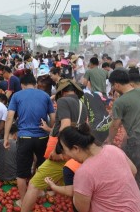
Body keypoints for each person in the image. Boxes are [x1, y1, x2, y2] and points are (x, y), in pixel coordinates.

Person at [18, 79, 88, 212]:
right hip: (76, 151)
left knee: (34, 184)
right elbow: (85, 127)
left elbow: (65, 126)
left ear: (61, 92)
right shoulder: (81, 104)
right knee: (67, 182)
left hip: (64, 150)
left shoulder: (63, 101)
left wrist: (59, 151)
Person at [57, 125, 140, 212]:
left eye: (65, 150)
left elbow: (82, 209)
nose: (66, 155)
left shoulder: (84, 172)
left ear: (75, 148)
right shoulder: (112, 149)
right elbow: (133, 171)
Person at [3, 72, 55, 207]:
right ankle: (39, 191)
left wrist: (6, 137)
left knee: (21, 172)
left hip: (24, 137)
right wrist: (51, 129)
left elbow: (10, 117)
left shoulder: (17, 95)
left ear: (22, 85)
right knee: (41, 166)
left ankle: (23, 200)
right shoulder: (45, 95)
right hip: (42, 137)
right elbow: (53, 117)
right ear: (35, 84)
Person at [106, 69, 140, 201]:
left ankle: (129, 201)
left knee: (125, 172)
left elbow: (115, 125)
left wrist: (109, 141)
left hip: (138, 143)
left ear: (116, 85)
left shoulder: (120, 102)